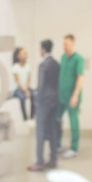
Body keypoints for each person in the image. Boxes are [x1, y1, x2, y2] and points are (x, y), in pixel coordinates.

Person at [30, 39, 61, 172]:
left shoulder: (43, 65)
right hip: (54, 101)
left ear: (43, 49)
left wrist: (36, 99)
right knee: (53, 130)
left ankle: (39, 162)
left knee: (40, 131)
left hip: (44, 103)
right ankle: (53, 159)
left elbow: (41, 86)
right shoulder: (56, 64)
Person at [58, 33, 85, 159]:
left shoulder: (78, 59)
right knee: (57, 119)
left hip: (72, 96)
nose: (64, 46)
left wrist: (75, 95)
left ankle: (74, 148)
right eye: (63, 44)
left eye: (67, 44)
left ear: (72, 43)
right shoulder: (63, 57)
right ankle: (57, 144)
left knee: (73, 121)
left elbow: (80, 78)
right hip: (61, 95)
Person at [9, 46, 32, 122]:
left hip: (25, 87)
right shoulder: (15, 67)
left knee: (35, 96)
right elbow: (18, 82)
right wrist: (25, 91)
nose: (26, 55)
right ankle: (25, 118)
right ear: (18, 56)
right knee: (22, 98)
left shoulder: (28, 65)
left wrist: (27, 88)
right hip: (17, 89)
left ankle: (31, 117)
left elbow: (29, 80)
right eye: (24, 53)